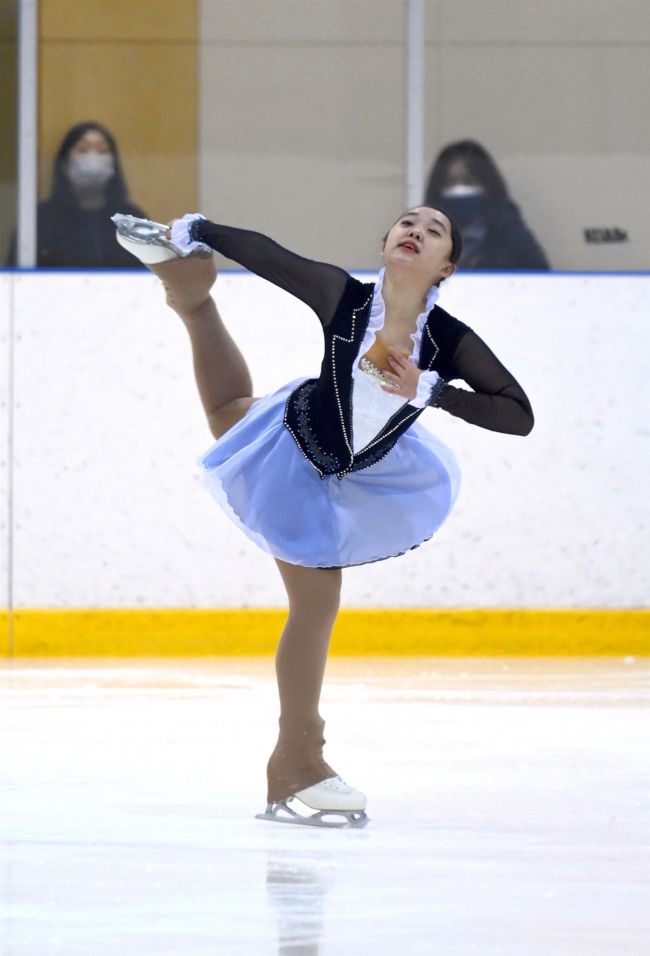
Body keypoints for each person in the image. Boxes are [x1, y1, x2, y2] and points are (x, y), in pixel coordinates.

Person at [112, 205, 534, 828]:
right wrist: (199, 229)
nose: (415, 229)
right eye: (405, 223)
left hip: (366, 472)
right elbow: (270, 254)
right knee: (313, 601)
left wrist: (431, 391)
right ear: (388, 242)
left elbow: (517, 413)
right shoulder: (345, 299)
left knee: (230, 409)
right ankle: (297, 764)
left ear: (445, 266)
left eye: (434, 229)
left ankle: (188, 291)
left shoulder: (448, 341)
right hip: (302, 449)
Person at [7, 122, 146, 268]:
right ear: (64, 164)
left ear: (113, 165)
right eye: (83, 150)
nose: (93, 158)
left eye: (102, 151)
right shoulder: (39, 219)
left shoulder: (131, 221)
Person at [424, 140, 550, 270]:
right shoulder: (424, 239)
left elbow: (541, 278)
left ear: (487, 185)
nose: (460, 189)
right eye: (451, 183)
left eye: (468, 182)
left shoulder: (510, 233)